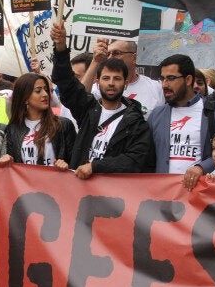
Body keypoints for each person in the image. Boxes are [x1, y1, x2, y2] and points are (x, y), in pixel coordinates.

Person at [50, 22, 155, 179]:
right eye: (106, 78)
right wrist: (61, 46)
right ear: (97, 82)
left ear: (126, 83)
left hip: (111, 194)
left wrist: (95, 166)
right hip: (79, 188)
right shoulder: (87, 109)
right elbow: (66, 82)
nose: (111, 83)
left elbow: (134, 160)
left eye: (117, 78)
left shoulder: (136, 121)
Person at [146, 54, 215, 190]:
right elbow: (148, 159)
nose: (164, 85)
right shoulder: (157, 115)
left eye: (171, 79)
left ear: (188, 80)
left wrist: (201, 168)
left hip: (203, 196)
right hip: (164, 197)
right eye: (162, 79)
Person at [0, 73, 76, 170]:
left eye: (46, 90)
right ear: (25, 99)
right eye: (38, 91)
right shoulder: (13, 129)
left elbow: (76, 162)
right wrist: (6, 160)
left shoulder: (63, 125)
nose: (45, 94)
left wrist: (65, 166)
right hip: (25, 184)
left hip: (56, 183)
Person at [82, 38, 164, 119]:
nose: (110, 57)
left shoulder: (156, 88)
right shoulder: (100, 87)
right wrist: (95, 60)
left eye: (116, 53)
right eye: (108, 54)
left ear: (134, 58)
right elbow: (79, 98)